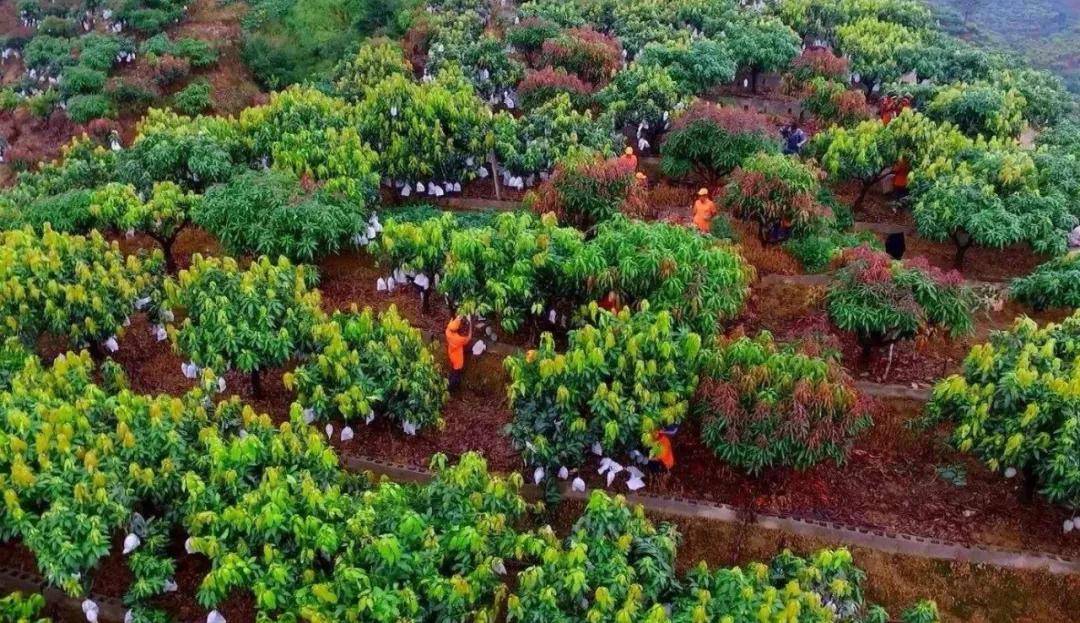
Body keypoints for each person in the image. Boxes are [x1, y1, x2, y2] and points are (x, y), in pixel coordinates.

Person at [444, 316, 472, 392]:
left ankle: (451, 387)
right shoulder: (460, 339)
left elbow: (453, 324)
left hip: (452, 354)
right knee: (456, 375)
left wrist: (458, 318)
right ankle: (450, 389)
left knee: (453, 372)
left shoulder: (448, 332)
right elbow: (469, 337)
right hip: (458, 360)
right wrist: (470, 322)